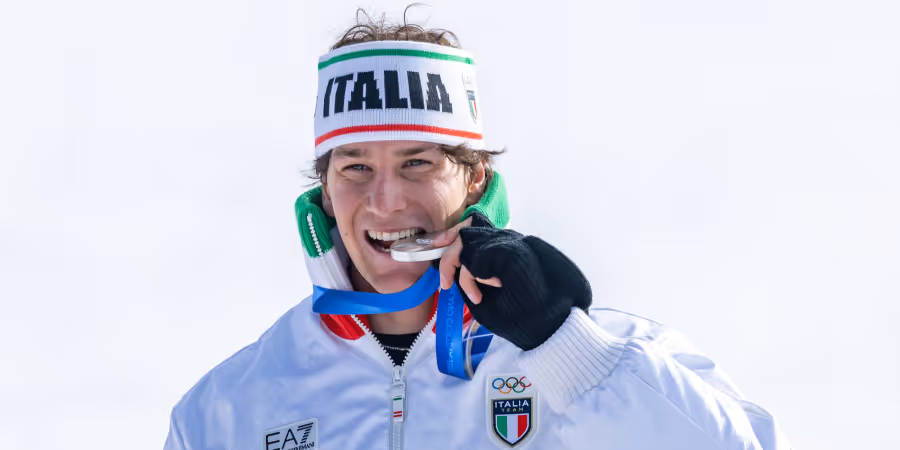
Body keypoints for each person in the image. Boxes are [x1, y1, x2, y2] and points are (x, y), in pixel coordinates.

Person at [164, 13, 791, 450]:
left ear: (474, 179)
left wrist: (562, 347)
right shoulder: (230, 406)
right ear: (324, 192)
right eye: (356, 168)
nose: (385, 200)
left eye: (417, 163)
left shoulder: (611, 355)